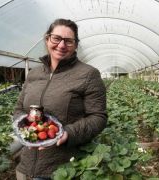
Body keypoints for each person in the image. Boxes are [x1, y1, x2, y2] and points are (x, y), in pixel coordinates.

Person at [13, 18, 107, 179]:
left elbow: (98, 116)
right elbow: (20, 108)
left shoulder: (88, 74)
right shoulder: (34, 74)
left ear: (76, 45)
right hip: (27, 163)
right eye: (56, 38)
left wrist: (67, 133)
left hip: (63, 166)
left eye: (68, 41)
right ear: (47, 39)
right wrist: (26, 128)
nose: (61, 45)